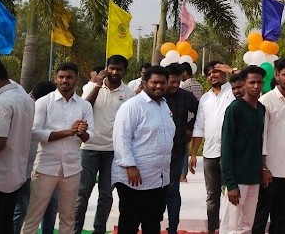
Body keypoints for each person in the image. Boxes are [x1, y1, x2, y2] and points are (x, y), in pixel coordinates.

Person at [21, 63, 94, 234]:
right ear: (55, 78)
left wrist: (81, 133)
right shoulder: (43, 102)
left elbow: (92, 135)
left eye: (69, 77)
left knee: (68, 218)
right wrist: (69, 132)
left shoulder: (84, 106)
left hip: (72, 168)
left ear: (76, 79)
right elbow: (34, 132)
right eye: (61, 77)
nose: (64, 80)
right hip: (45, 166)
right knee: (33, 216)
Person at [73, 55, 134, 234]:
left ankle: (99, 230)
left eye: (119, 69)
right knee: (82, 193)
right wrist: (98, 86)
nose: (115, 72)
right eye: (112, 68)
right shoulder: (91, 87)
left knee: (106, 195)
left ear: (125, 71)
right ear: (106, 68)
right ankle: (75, 230)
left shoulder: (128, 92)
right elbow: (84, 108)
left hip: (114, 151)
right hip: (89, 148)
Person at [112, 65, 175, 234]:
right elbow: (121, 138)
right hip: (134, 178)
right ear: (145, 83)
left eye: (163, 83)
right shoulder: (132, 106)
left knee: (153, 222)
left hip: (159, 177)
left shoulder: (164, 105)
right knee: (129, 223)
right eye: (154, 82)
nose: (159, 86)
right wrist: (130, 166)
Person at [253, 58, 285, 234]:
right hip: (271, 169)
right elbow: (260, 137)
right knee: (263, 213)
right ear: (276, 75)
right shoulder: (266, 101)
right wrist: (263, 167)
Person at [189, 60, 235, 234]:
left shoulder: (233, 91)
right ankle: (212, 229)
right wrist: (193, 154)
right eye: (209, 74)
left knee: (232, 192)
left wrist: (230, 69)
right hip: (209, 154)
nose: (212, 75)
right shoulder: (205, 99)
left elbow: (246, 79)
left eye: (216, 72)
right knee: (212, 196)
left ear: (224, 73)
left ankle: (230, 229)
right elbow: (199, 126)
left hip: (231, 153)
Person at [221, 66, 266, 234]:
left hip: (254, 178)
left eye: (259, 82)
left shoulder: (261, 109)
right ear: (244, 84)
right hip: (236, 179)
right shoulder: (235, 109)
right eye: (251, 82)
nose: (255, 86)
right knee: (231, 227)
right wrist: (230, 183)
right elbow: (226, 147)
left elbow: (261, 143)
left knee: (247, 225)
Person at [14, 81, 58, 234]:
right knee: (23, 208)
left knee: (50, 207)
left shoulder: (50, 107)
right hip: (28, 168)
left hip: (49, 165)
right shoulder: (26, 107)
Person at [0, 55, 35, 233]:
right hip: (15, 174)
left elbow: (0, 142)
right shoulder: (24, 97)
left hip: (1, 175)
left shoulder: (3, 102)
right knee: (6, 223)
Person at [164, 64, 199, 234]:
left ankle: (172, 228)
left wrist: (190, 127)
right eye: (171, 82)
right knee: (154, 192)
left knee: (172, 189)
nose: (175, 85)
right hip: (154, 153)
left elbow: (201, 112)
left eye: (178, 82)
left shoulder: (186, 96)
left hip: (177, 150)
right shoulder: (156, 96)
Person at [179, 63, 203, 183]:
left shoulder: (183, 86)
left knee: (184, 148)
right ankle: (184, 174)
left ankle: (183, 174)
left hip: (186, 119)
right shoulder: (199, 85)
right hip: (197, 119)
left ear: (184, 72)